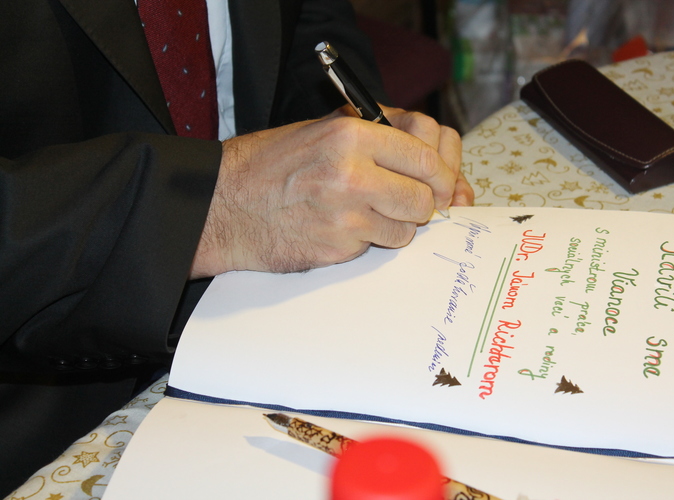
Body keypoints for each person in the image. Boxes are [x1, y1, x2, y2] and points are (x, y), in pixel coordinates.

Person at [0, 0, 473, 495]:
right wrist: (209, 207)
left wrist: (343, 136)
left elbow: (308, 24)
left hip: (287, 311)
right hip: (53, 395)